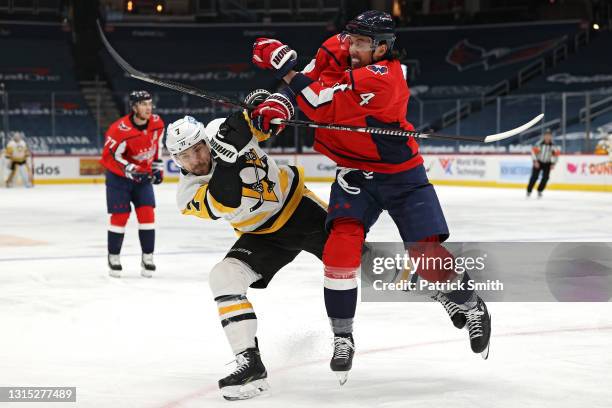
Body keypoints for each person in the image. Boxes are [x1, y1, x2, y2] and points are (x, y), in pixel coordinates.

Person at [250, 9, 492, 374]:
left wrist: (284, 70)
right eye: (352, 39)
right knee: (339, 250)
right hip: (354, 175)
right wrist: (276, 103)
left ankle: (470, 303)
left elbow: (318, 104)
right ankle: (343, 337)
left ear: (382, 48)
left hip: (400, 176)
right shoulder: (337, 48)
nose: (352, 47)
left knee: (425, 256)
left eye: (362, 43)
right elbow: (304, 85)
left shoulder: (384, 79)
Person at [167, 90, 393, 399]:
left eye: (198, 148)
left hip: (299, 209)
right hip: (262, 235)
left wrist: (264, 104)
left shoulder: (223, 129)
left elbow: (273, 117)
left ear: (205, 140)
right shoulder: (187, 194)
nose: (195, 159)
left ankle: (447, 290)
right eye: (184, 155)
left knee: (366, 263)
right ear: (175, 160)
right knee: (223, 276)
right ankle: (250, 364)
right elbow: (226, 197)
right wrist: (228, 152)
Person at [100, 90, 165, 278]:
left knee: (147, 215)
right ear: (134, 107)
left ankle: (148, 257)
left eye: (150, 103)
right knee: (119, 218)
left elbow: (157, 147)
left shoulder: (157, 123)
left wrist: (157, 168)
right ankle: (113, 256)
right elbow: (109, 157)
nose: (148, 107)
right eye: (143, 104)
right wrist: (130, 169)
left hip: (142, 178)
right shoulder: (118, 130)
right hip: (118, 179)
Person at [527, 129, 560, 198]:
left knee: (546, 178)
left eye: (549, 135)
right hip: (538, 162)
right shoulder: (539, 144)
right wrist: (535, 161)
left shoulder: (553, 145)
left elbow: (556, 155)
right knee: (534, 177)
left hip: (547, 163)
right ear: (544, 136)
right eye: (546, 135)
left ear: (551, 136)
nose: (547, 137)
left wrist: (553, 163)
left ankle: (539, 190)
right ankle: (529, 191)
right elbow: (533, 153)